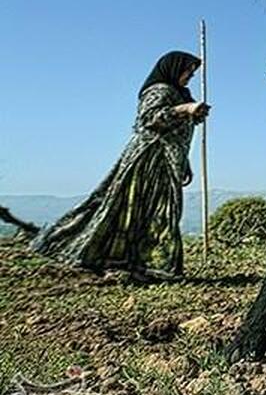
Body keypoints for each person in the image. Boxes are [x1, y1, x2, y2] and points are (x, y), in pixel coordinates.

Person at [31, 51, 210, 282]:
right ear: (175, 68)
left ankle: (152, 264)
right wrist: (183, 110)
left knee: (163, 212)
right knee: (133, 210)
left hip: (168, 163)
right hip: (148, 161)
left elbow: (178, 133)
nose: (190, 76)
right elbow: (148, 120)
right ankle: (130, 261)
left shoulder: (181, 94)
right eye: (188, 71)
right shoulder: (159, 90)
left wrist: (185, 157)